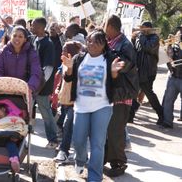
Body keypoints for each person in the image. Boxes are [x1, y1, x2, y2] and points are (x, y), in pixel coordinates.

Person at [62, 29, 125, 181]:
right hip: (81, 106)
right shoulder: (79, 58)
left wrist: (114, 74)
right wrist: (69, 68)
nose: (91, 45)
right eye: (89, 41)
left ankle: (94, 177)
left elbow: (117, 84)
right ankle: (80, 160)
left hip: (102, 106)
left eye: (96, 42)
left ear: (103, 44)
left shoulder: (110, 59)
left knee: (98, 144)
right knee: (78, 140)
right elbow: (69, 78)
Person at [104, 15, 139, 177]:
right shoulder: (112, 42)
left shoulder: (125, 44)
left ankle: (119, 163)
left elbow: (124, 65)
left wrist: (106, 53)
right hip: (112, 93)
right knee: (106, 129)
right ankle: (104, 158)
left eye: (105, 24)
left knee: (115, 131)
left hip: (122, 93)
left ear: (111, 26)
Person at [30, 17, 58, 148]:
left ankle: (53, 139)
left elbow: (48, 68)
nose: (32, 28)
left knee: (46, 113)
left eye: (34, 25)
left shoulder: (48, 44)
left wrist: (40, 85)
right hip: (32, 85)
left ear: (41, 27)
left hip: (42, 87)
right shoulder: (34, 40)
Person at [129, 21, 163, 124]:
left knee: (149, 94)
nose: (141, 30)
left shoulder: (155, 38)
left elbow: (148, 48)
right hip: (139, 70)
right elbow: (135, 50)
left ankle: (161, 115)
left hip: (148, 72)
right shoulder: (140, 38)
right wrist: (133, 39)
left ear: (148, 28)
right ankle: (130, 116)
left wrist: (140, 36)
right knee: (133, 93)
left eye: (142, 28)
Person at [54, 41, 82, 163]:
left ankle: (65, 151)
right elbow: (64, 81)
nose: (62, 52)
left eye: (65, 50)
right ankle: (69, 151)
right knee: (67, 126)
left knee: (68, 125)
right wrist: (58, 89)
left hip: (73, 102)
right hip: (65, 101)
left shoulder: (77, 65)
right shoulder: (65, 63)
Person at [0, 25, 42, 94]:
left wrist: (29, 88)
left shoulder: (31, 53)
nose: (17, 38)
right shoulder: (3, 51)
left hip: (24, 92)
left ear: (25, 39)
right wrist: (0, 83)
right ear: (10, 37)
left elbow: (36, 73)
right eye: (14, 36)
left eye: (20, 36)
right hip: (4, 91)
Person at [161, 31, 182, 128]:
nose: (180, 34)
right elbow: (168, 58)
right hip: (173, 76)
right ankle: (167, 121)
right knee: (168, 100)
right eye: (179, 33)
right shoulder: (174, 45)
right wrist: (167, 47)